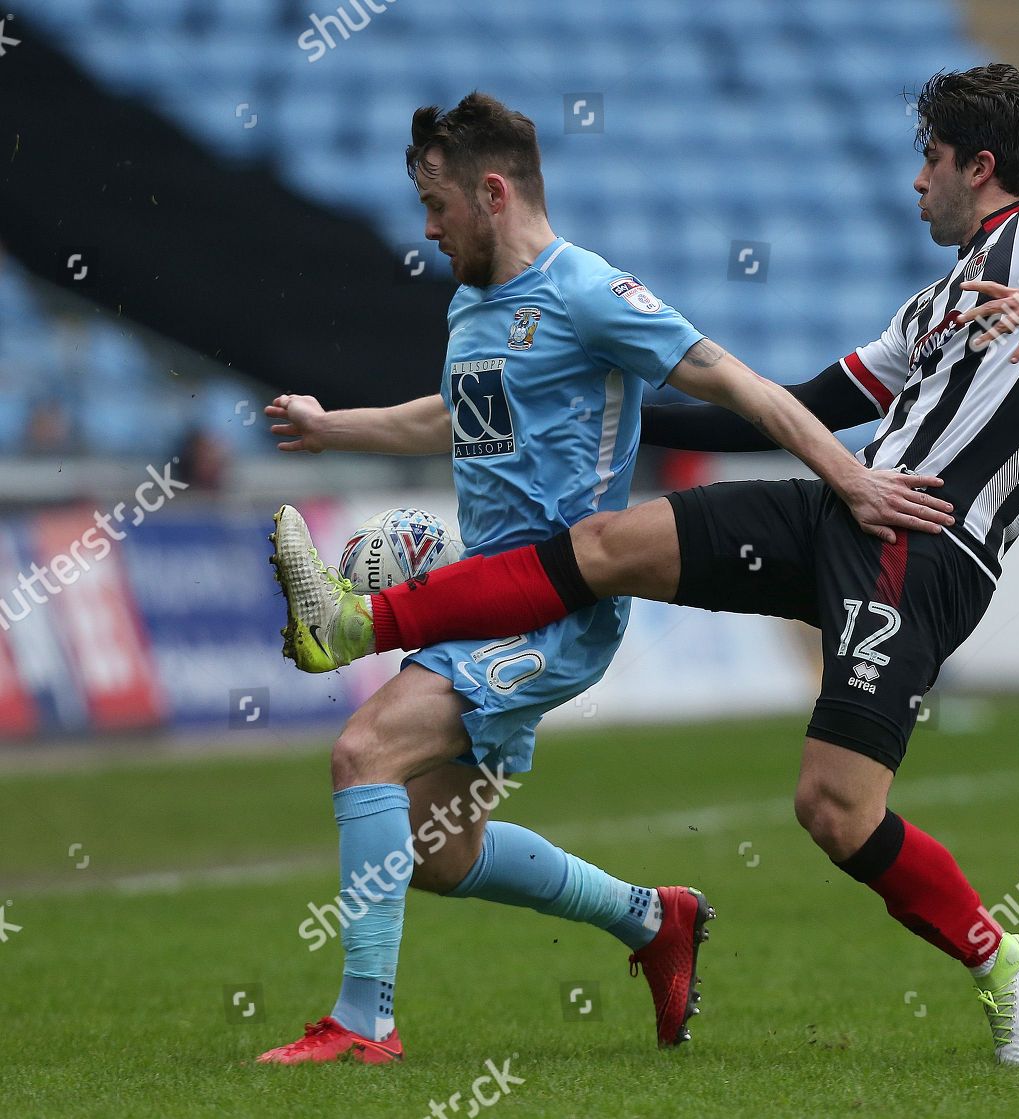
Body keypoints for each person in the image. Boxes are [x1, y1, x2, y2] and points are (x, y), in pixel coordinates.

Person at [270, 64, 1019, 1065]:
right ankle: (362, 623)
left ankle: (1002, 958)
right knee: (604, 545)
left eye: (930, 161)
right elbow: (810, 397)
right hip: (846, 502)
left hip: (923, 540)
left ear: (979, 166)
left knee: (834, 810)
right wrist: (604, 389)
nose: (917, 183)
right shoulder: (937, 302)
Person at [258, 93, 945, 1065]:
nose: (426, 226)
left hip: (553, 609)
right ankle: (651, 918)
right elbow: (457, 415)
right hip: (479, 594)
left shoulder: (587, 293)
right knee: (436, 850)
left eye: (436, 203)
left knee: (361, 750)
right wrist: (338, 427)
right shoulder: (476, 302)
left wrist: (850, 477)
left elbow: (739, 384)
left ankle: (363, 1023)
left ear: (492, 192)